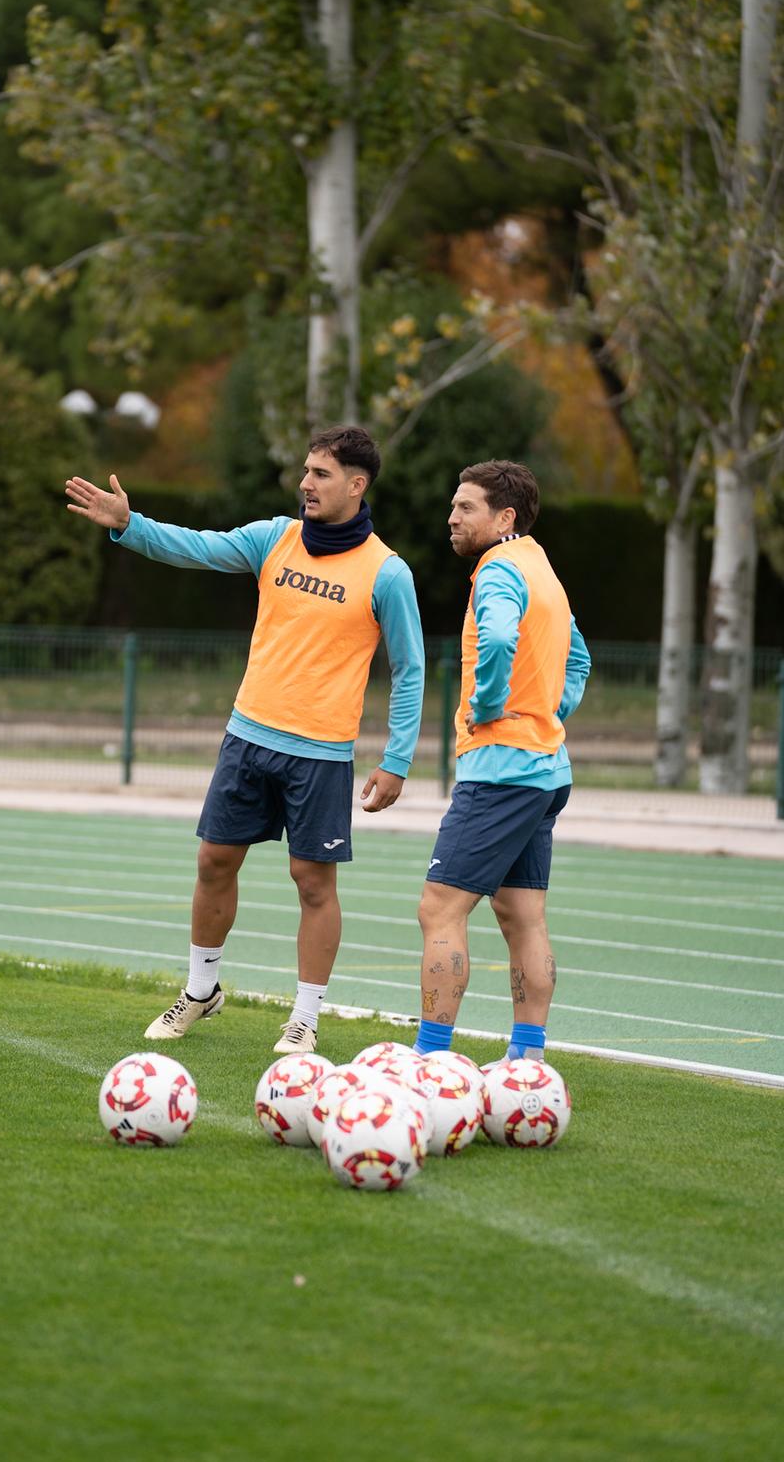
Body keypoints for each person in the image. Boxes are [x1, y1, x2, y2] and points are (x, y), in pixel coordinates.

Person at [65, 425, 425, 1054]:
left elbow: (411, 669)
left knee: (312, 883)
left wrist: (396, 759)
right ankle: (200, 991)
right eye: (306, 470)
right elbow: (198, 547)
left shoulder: (387, 573)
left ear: (356, 484)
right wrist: (131, 525)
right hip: (247, 736)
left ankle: (304, 1019)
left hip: (321, 755)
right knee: (213, 862)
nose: (305, 483)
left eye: (320, 474)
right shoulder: (274, 538)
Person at [412, 459, 591, 1063]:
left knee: (440, 908)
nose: (452, 517)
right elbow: (580, 659)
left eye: (466, 507)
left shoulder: (497, 570)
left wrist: (488, 707)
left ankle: (431, 1059)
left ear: (504, 516)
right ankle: (527, 1062)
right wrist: (548, 711)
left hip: (501, 768)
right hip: (546, 767)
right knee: (522, 916)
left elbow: (496, 638)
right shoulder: (541, 566)